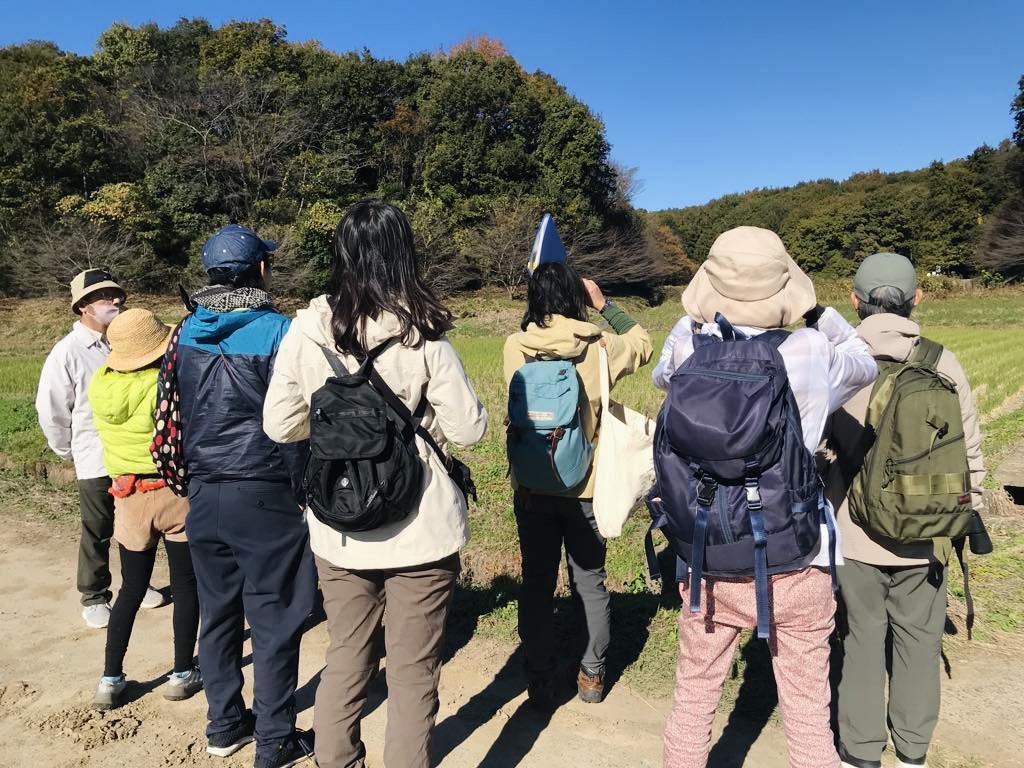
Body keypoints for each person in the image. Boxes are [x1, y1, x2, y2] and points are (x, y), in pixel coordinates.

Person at [263, 200, 487, 768]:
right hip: (422, 528)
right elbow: (469, 431)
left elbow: (279, 424)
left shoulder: (308, 332)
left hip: (338, 525)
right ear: (402, 254)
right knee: (413, 672)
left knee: (347, 655)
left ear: (341, 254)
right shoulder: (424, 335)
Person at [652, 226, 877, 768]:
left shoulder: (687, 343)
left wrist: (698, 313)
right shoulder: (809, 350)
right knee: (805, 710)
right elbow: (865, 359)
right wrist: (817, 309)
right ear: (787, 288)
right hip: (794, 555)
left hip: (707, 551)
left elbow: (663, 377)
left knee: (694, 697)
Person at [826, 253, 987, 768]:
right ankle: (913, 751)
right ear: (918, 298)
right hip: (929, 534)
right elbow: (971, 455)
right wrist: (965, 513)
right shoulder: (943, 362)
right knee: (919, 643)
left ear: (855, 301)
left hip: (854, 533)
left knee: (861, 637)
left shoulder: (840, 361)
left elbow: (818, 448)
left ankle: (860, 751)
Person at [175, 225, 315, 768]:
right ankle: (275, 737)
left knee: (218, 613)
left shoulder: (185, 332)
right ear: (261, 269)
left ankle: (224, 724)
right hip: (264, 491)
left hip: (203, 491)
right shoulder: (281, 331)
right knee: (276, 614)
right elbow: (299, 418)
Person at [503, 262, 653, 707]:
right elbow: (644, 342)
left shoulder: (516, 345)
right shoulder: (600, 347)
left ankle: (541, 678)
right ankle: (591, 677)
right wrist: (604, 305)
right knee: (590, 581)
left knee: (536, 583)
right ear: (576, 297)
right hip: (586, 487)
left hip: (531, 487)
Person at [36, 269, 164, 629]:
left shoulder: (128, 342)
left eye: (117, 294)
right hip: (93, 455)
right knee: (98, 526)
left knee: (137, 525)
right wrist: (67, 450)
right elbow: (51, 408)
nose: (115, 301)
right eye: (105, 296)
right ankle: (94, 594)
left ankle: (136, 586)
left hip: (132, 454)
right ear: (83, 307)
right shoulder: (68, 351)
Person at [88, 308, 202, 710]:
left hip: (128, 498)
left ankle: (110, 678)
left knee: (131, 589)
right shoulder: (166, 383)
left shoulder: (100, 384)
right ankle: (182, 672)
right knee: (186, 585)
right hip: (172, 490)